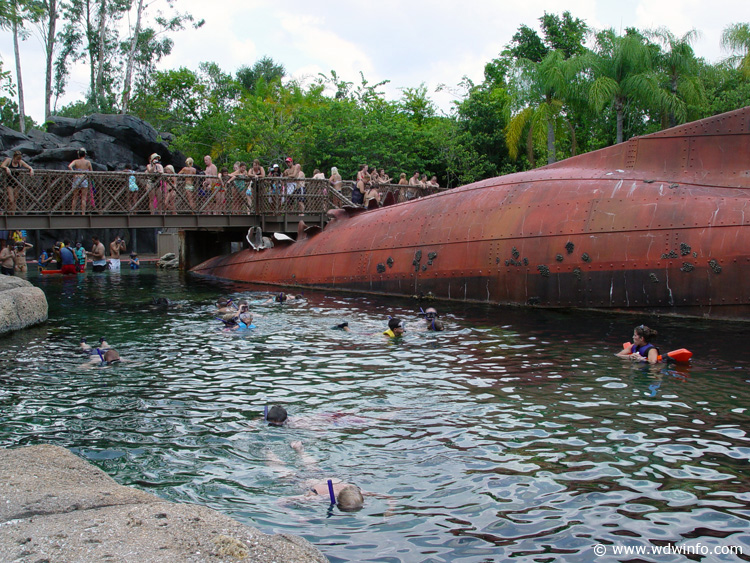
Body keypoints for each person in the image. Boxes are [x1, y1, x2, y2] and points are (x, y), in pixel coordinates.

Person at [1, 151, 34, 215]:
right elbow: (2, 165)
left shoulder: (20, 162)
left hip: (16, 182)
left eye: (19, 159)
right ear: (14, 157)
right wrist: (6, 168)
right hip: (9, 182)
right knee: (11, 200)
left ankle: (13, 214)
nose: (18, 161)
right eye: (17, 159)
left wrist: (31, 169)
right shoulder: (9, 160)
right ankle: (9, 212)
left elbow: (28, 166)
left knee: (15, 200)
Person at [69, 149, 93, 214]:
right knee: (83, 197)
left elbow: (70, 166)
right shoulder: (88, 162)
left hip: (77, 179)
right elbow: (91, 171)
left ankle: (73, 213)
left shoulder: (76, 161)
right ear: (85, 154)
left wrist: (74, 173)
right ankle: (83, 213)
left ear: (79, 155)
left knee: (75, 197)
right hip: (84, 179)